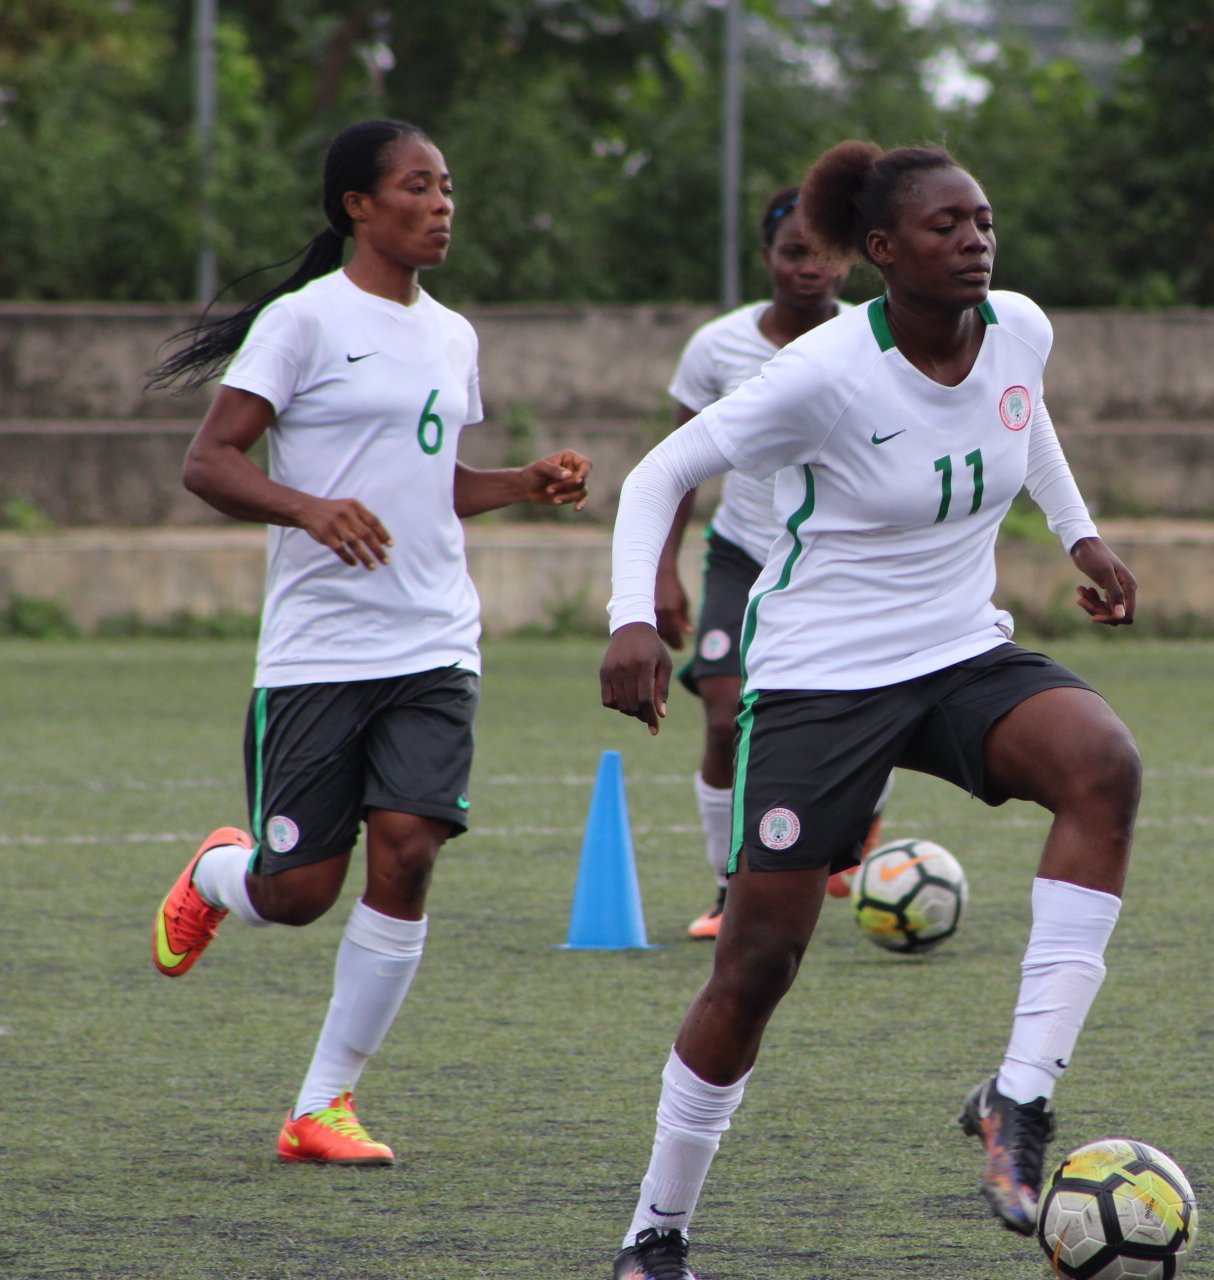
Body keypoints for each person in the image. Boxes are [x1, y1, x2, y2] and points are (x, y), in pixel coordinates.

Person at [599, 140, 1142, 1280]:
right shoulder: (827, 371)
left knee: (1103, 763)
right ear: (883, 252)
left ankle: (1018, 1097)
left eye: (983, 218)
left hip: (956, 652)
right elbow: (657, 474)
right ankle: (656, 1230)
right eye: (946, 225)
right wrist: (630, 619)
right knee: (757, 966)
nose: (975, 239)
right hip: (819, 678)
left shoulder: (1020, 327)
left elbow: (1023, 413)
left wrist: (1078, 533)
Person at [144, 118, 592, 1166]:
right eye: (418, 187)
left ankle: (323, 1103)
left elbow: (433, 481)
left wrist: (523, 483)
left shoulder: (453, 334)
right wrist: (307, 508)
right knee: (297, 895)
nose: (441, 205)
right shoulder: (303, 323)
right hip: (317, 654)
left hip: (435, 640)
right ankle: (221, 871)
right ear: (358, 205)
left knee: (410, 848)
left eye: (447, 188)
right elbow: (209, 463)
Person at [653, 186, 889, 940]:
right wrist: (662, 574)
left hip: (836, 560)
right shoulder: (718, 347)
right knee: (725, 718)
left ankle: (865, 820)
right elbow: (679, 467)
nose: (810, 269)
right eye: (794, 252)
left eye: (825, 255)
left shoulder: (877, 337)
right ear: (767, 258)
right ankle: (730, 888)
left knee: (869, 714)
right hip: (743, 554)